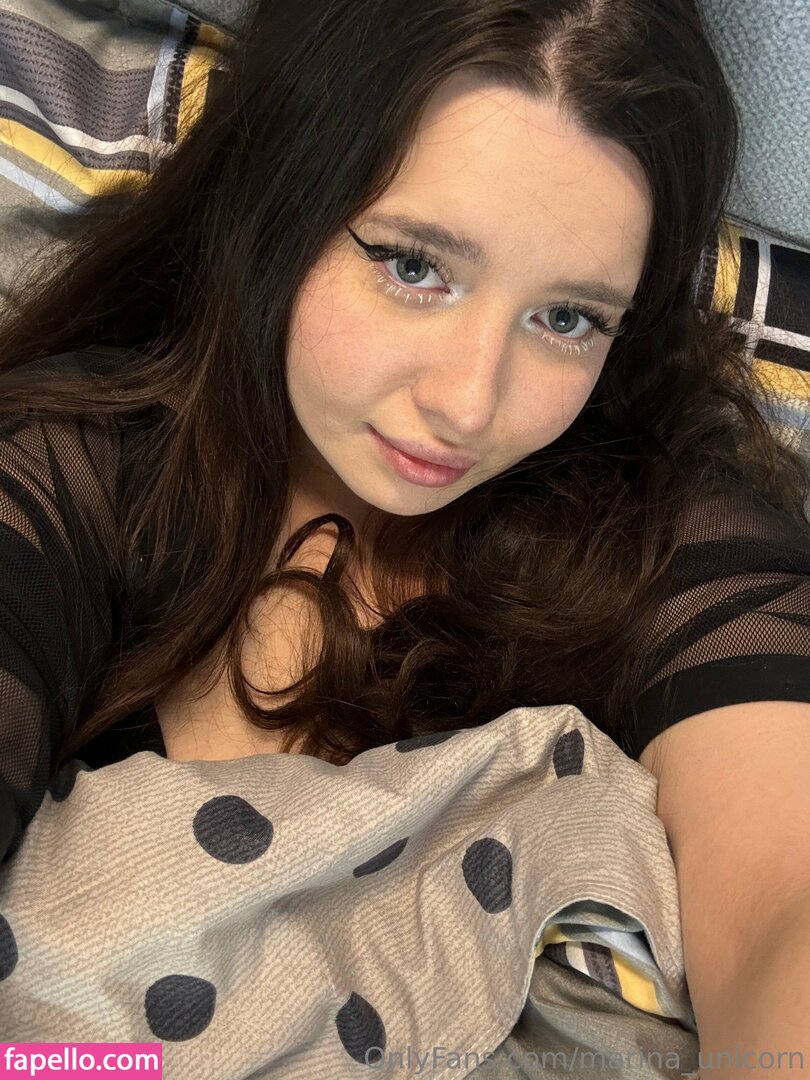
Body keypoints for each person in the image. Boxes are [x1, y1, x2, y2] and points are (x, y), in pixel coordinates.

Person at [0, 0, 808, 1053]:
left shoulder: (663, 528)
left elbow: (786, 900)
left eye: (567, 318)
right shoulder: (70, 462)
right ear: (279, 202)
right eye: (414, 266)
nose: (470, 404)